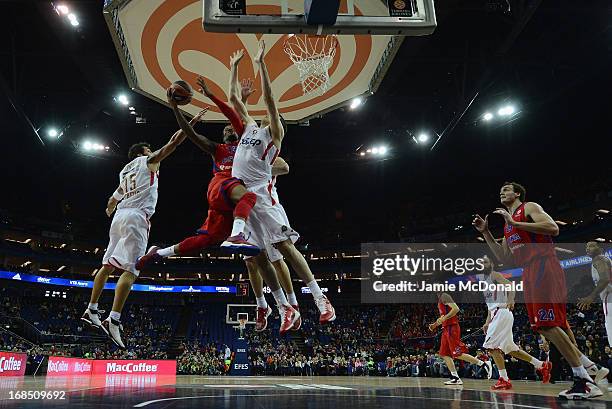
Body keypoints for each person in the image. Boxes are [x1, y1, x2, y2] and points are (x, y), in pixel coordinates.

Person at [228, 43, 335, 334]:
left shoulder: (274, 134)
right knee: (258, 258)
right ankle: (282, 307)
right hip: (243, 199)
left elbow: (272, 100)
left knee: (285, 247)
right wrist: (235, 66)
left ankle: (319, 298)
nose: (266, 115)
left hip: (263, 197)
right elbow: (233, 98)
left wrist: (261, 63)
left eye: (272, 117)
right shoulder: (249, 127)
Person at [473, 181, 603, 399]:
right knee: (543, 327)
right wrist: (486, 233)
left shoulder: (529, 208)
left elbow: (553, 228)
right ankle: (588, 368)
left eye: (506, 189)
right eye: (501, 190)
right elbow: (505, 258)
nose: (502, 192)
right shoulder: (507, 225)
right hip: (529, 270)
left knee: (547, 324)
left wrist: (517, 223)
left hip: (543, 263)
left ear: (517, 194)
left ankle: (584, 379)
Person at [81, 119, 197, 348]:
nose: (152, 152)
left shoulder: (124, 171)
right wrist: (190, 124)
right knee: (132, 270)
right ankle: (113, 319)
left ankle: (91, 308)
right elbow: (172, 144)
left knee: (107, 266)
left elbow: (112, 200)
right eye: (149, 150)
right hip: (136, 218)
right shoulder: (148, 161)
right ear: (142, 154)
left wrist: (109, 210)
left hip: (119, 216)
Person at [136, 80, 261, 270]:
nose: (228, 129)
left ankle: (159, 253)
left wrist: (242, 99)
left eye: (230, 128)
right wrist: (175, 109)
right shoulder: (216, 148)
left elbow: (237, 117)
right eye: (225, 129)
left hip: (228, 203)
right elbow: (190, 133)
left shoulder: (245, 144)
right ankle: (237, 235)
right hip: (222, 185)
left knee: (206, 240)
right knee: (250, 196)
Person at [479, 256, 552, 390]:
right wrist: (486, 322)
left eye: (485, 262)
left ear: (492, 264)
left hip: (501, 313)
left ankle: (504, 379)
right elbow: (490, 307)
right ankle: (541, 365)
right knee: (510, 349)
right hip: (497, 314)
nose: (483, 264)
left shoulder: (495, 275)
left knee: (491, 347)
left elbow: (510, 285)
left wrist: (511, 299)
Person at [429, 291, 492, 385]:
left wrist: (444, 318)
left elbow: (456, 309)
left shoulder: (444, 295)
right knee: (444, 354)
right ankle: (455, 377)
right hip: (446, 328)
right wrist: (434, 325)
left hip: (452, 327)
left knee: (457, 354)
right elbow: (443, 317)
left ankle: (483, 363)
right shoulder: (440, 300)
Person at [578, 241, 612, 347]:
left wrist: (591, 297)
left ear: (600, 248)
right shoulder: (601, 260)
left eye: (591, 246)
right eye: (586, 246)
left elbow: (605, 279)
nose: (587, 248)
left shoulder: (599, 259)